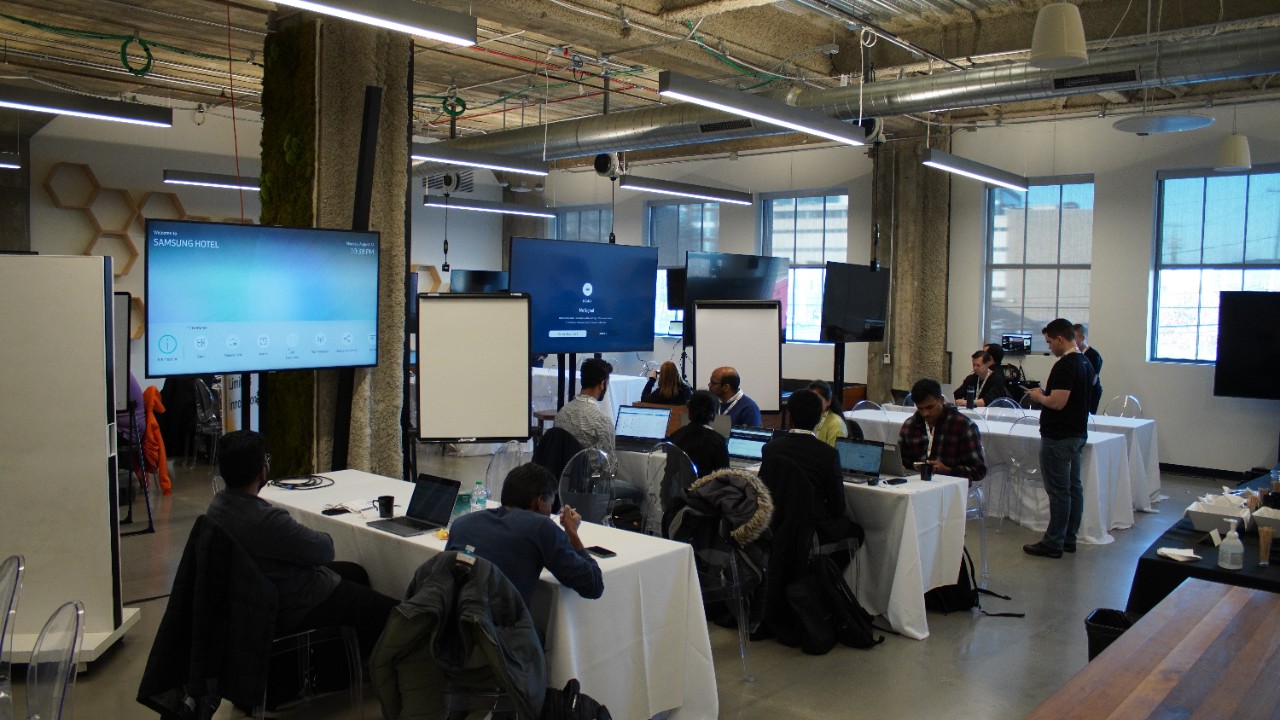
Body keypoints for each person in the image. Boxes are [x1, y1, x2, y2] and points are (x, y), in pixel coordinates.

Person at [205, 430, 397, 659]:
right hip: (293, 601)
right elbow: (323, 550)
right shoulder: (265, 520)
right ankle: (377, 666)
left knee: (355, 572)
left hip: (257, 597)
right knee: (391, 611)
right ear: (262, 471)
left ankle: (351, 658)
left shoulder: (217, 508)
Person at [446, 463, 604, 608]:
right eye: (550, 503)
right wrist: (572, 533)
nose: (550, 511)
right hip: (500, 633)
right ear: (539, 502)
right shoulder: (541, 528)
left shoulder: (462, 523)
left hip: (452, 625)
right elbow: (593, 585)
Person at [1023, 318, 1094, 559]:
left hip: (1059, 436)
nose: (1049, 347)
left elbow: (1058, 402)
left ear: (1061, 339)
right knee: (1073, 488)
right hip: (1076, 433)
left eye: (1050, 342)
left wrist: (1039, 396)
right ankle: (1068, 539)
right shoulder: (1086, 362)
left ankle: (1053, 542)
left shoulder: (1066, 365)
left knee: (1059, 491)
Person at [761, 390, 848, 523]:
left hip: (775, 522)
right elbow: (837, 508)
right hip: (812, 525)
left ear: (790, 416)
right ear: (819, 418)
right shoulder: (828, 454)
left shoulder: (770, 449)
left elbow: (762, 492)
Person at [898, 379, 987, 483]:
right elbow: (901, 462)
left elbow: (978, 471)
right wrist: (903, 467)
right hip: (915, 486)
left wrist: (948, 470)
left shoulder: (963, 426)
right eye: (920, 408)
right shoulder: (910, 425)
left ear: (941, 400)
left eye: (930, 407)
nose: (925, 413)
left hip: (950, 488)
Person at [554, 357, 617, 471]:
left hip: (561, 479)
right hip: (589, 484)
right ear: (602, 384)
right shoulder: (602, 421)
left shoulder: (562, 413)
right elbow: (610, 468)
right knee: (635, 489)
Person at [668, 390, 730, 478]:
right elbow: (724, 477)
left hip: (680, 491)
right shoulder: (717, 441)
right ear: (713, 416)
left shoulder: (674, 436)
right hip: (706, 490)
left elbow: (670, 474)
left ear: (689, 413)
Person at [1074, 323, 1103, 414]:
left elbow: (1093, 380)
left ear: (1082, 338)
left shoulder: (1094, 355)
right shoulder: (1074, 353)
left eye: (1074, 338)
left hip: (1091, 394)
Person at [808, 379, 847, 447]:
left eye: (817, 400)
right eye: (810, 399)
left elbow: (835, 455)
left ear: (828, 402)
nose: (813, 403)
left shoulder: (836, 424)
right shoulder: (809, 418)